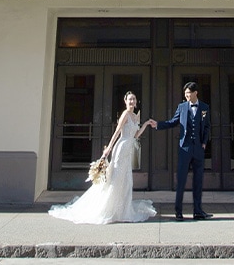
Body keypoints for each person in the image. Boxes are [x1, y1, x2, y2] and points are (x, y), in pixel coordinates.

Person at [49, 91, 156, 224]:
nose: (132, 101)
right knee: (115, 178)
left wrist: (146, 124)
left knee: (126, 180)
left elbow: (136, 135)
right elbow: (117, 131)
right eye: (129, 99)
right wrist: (109, 148)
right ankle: (108, 208)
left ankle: (122, 209)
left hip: (129, 150)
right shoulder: (125, 114)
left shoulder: (136, 116)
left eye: (133, 99)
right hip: (121, 148)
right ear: (125, 101)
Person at [154, 81, 212, 221]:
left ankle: (198, 211)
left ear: (195, 93)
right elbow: (173, 121)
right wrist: (158, 125)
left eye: (189, 93)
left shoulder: (204, 108)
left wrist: (204, 143)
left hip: (198, 148)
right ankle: (178, 212)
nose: (186, 96)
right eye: (185, 94)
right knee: (181, 180)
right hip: (184, 148)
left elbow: (207, 127)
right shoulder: (182, 107)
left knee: (198, 180)